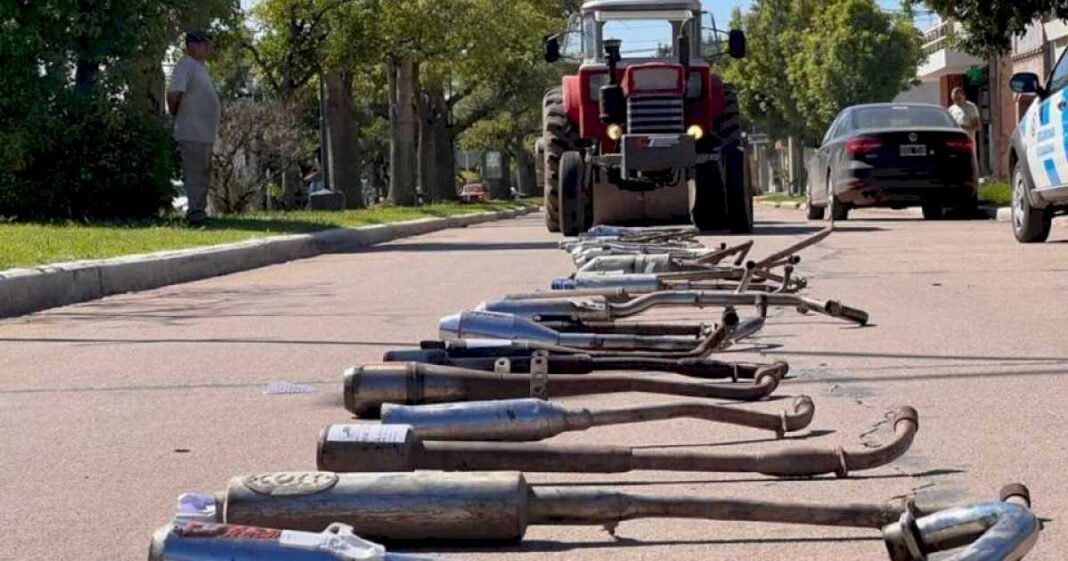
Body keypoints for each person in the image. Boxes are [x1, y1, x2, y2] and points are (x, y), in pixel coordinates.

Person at [167, 30, 220, 225]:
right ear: (191, 45)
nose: (208, 47)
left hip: (204, 132)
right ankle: (195, 214)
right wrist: (178, 115)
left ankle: (199, 210)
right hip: (192, 130)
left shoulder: (200, 67)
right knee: (195, 173)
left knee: (202, 173)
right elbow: (174, 94)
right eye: (204, 43)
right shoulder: (186, 65)